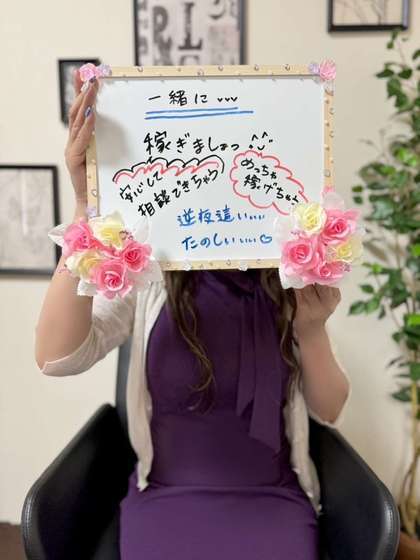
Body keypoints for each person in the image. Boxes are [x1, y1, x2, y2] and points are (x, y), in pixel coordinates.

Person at [35, 70, 351, 560]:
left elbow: (329, 409)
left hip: (272, 497)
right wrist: (85, 207)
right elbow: (57, 357)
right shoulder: (148, 277)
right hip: (166, 496)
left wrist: (311, 331)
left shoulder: (291, 279)